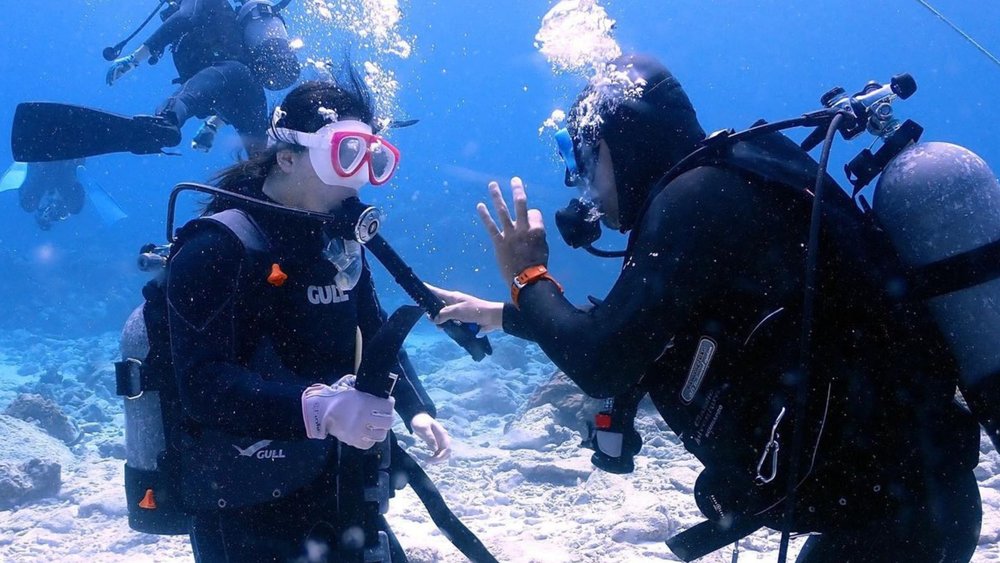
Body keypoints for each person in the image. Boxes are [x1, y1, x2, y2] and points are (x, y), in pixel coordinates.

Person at [430, 54, 983, 562]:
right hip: (910, 502)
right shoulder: (735, 174)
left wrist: (526, 275)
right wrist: (501, 315)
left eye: (583, 158)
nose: (583, 186)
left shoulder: (692, 202)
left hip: (891, 522)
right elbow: (648, 331)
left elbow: (603, 360)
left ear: (618, 145)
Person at [165, 75, 450, 562]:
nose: (358, 178)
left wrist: (414, 409)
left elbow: (376, 332)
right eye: (345, 155)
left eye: (372, 159)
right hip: (245, 507)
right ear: (288, 156)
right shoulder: (216, 248)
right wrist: (321, 410)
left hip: (340, 487)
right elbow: (202, 385)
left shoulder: (338, 244)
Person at [104, 0, 296, 155]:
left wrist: (134, 59)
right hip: (246, 91)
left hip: (229, 74)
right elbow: (232, 90)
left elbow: (185, 18)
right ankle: (270, 184)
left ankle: (165, 121)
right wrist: (212, 126)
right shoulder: (229, 20)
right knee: (261, 159)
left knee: (184, 97)